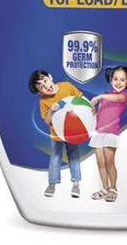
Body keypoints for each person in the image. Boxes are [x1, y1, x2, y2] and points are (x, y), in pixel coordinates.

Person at [28, 70, 82, 198]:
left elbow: (81, 100)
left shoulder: (67, 86)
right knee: (55, 157)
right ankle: (52, 183)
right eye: (42, 87)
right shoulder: (43, 101)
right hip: (56, 134)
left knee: (74, 155)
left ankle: (76, 184)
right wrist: (50, 111)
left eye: (45, 81)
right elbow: (47, 121)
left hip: (72, 132)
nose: (47, 86)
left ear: (50, 77)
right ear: (40, 92)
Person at [89, 66, 127, 203]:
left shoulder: (123, 96)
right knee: (100, 162)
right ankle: (104, 188)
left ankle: (113, 189)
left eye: (122, 80)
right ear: (111, 80)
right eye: (115, 79)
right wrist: (91, 109)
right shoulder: (106, 95)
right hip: (98, 132)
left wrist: (100, 96)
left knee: (109, 162)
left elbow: (115, 98)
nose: (118, 82)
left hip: (111, 132)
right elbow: (98, 114)